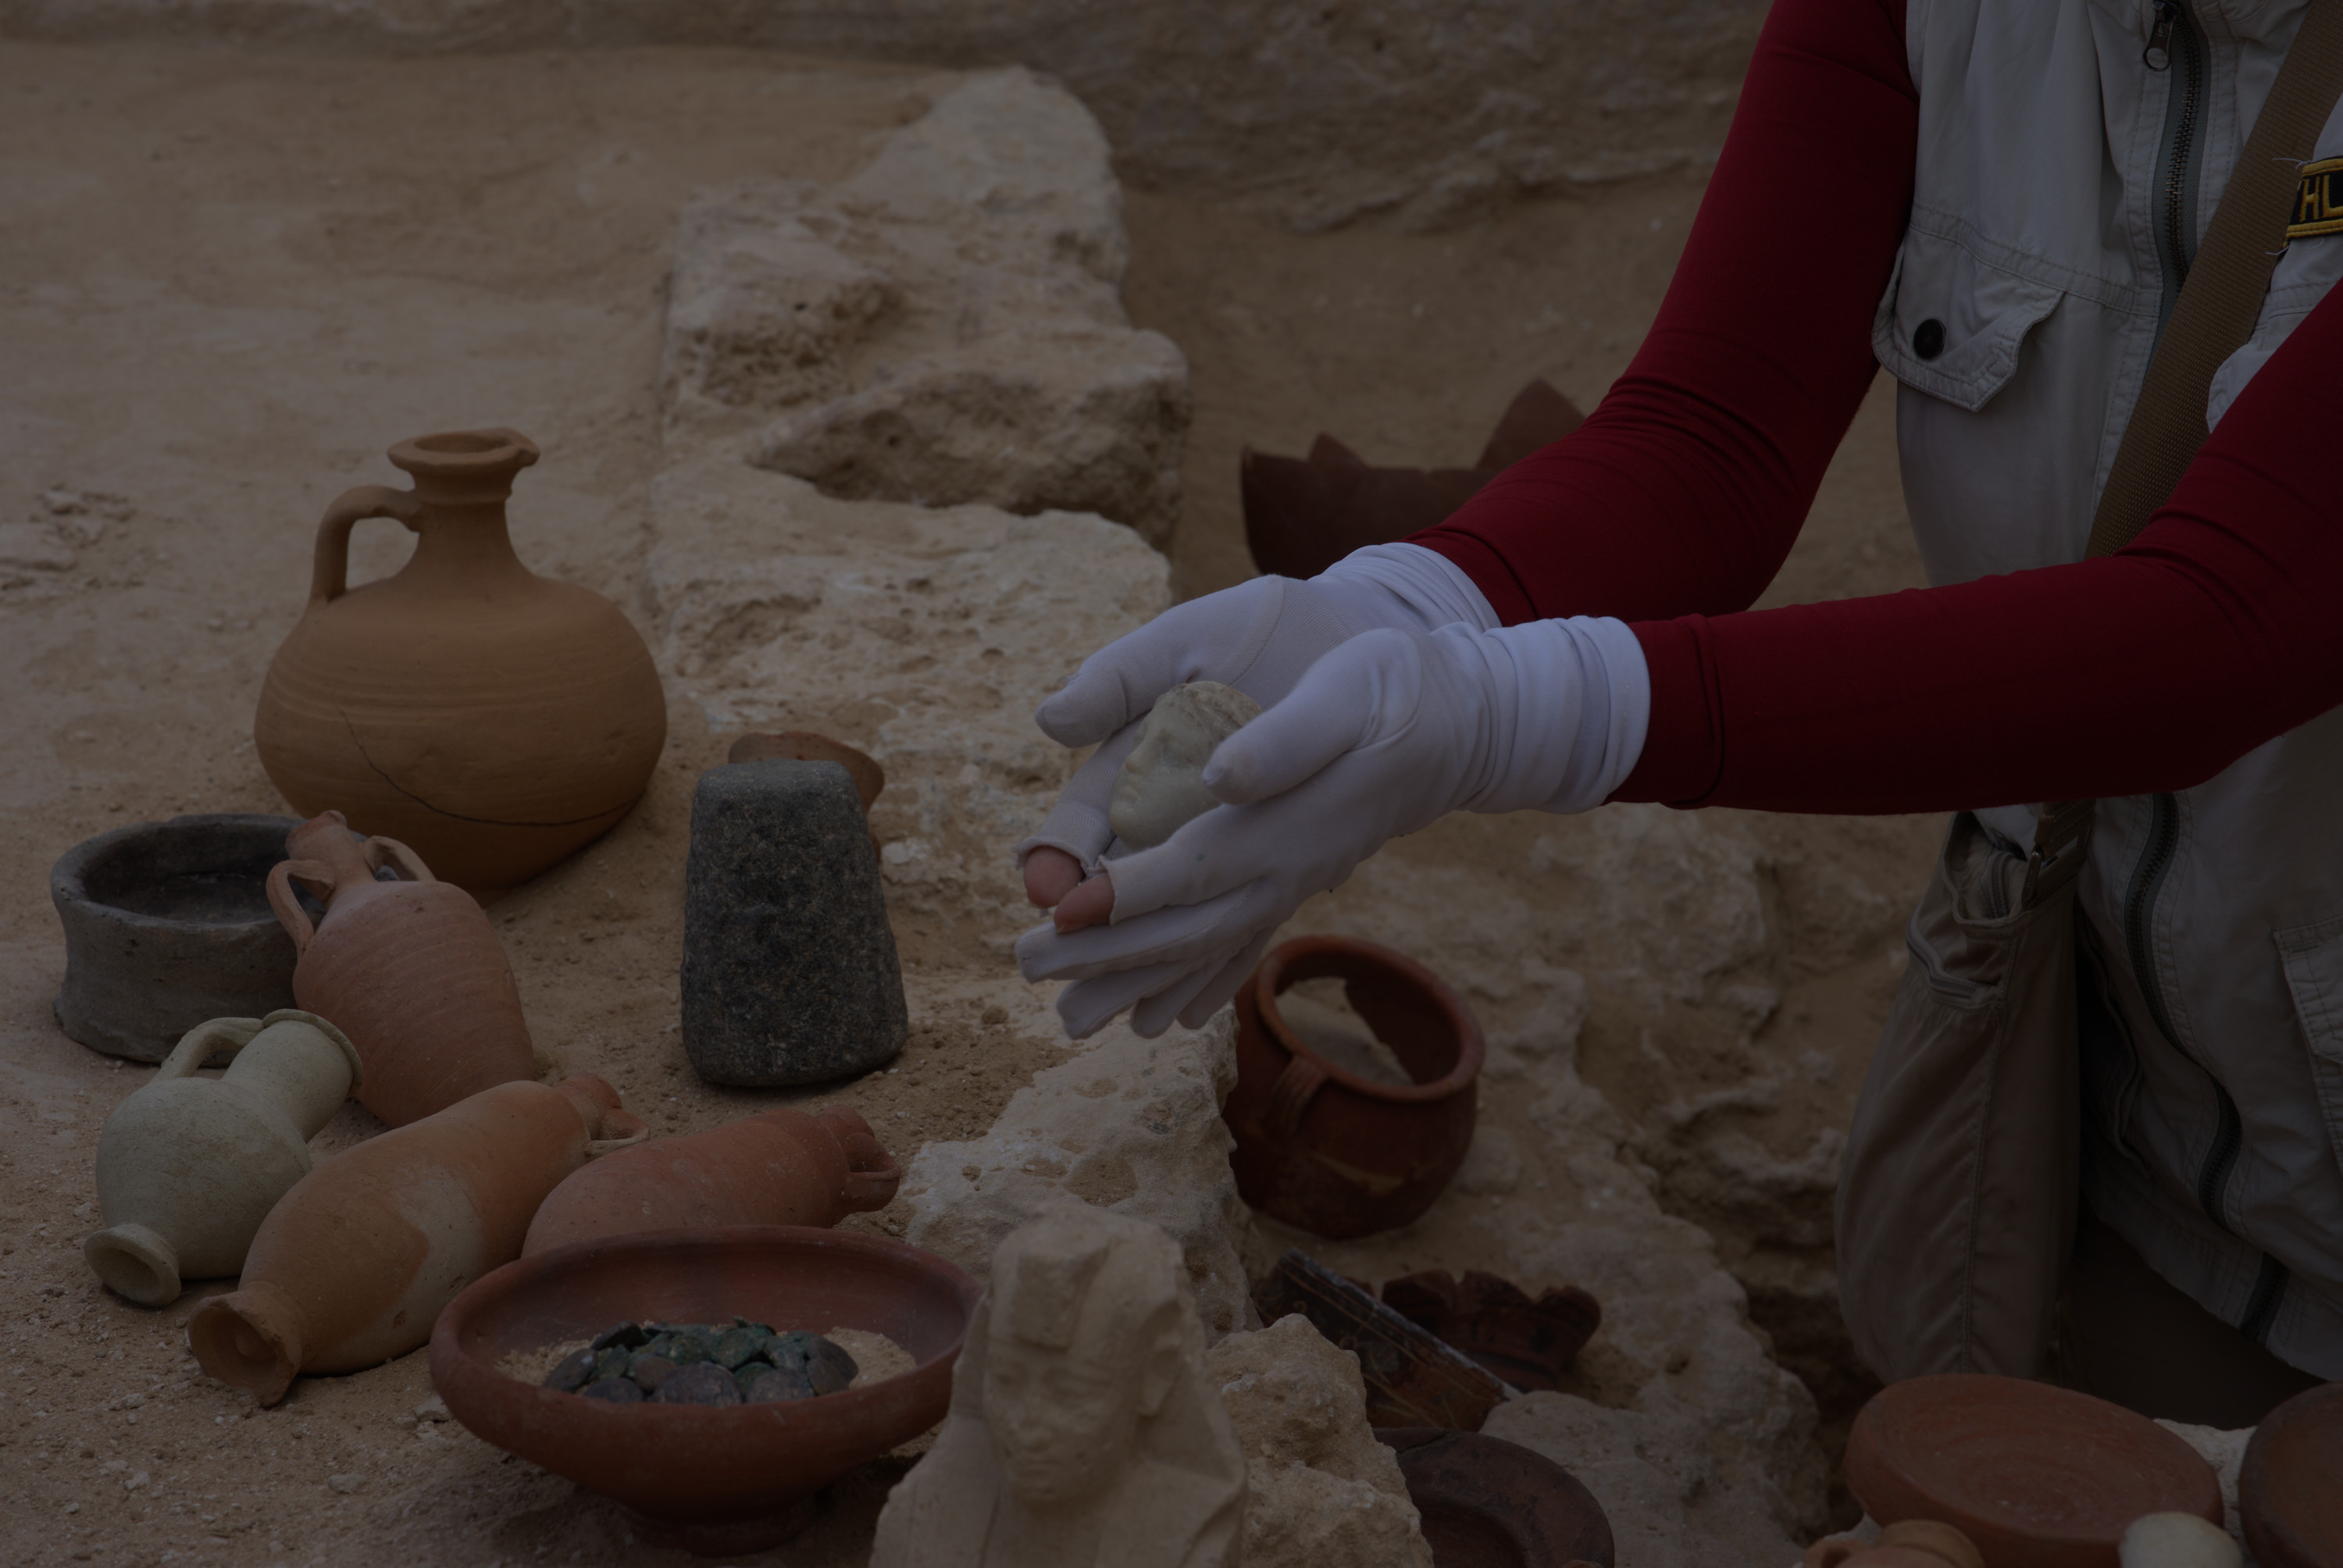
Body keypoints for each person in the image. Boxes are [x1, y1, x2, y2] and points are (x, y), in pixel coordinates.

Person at [1011, 0, 2343, 1420]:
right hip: (2168, 1168)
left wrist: (1534, 712)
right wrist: (1408, 601)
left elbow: (2227, 629)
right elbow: (1716, 432)